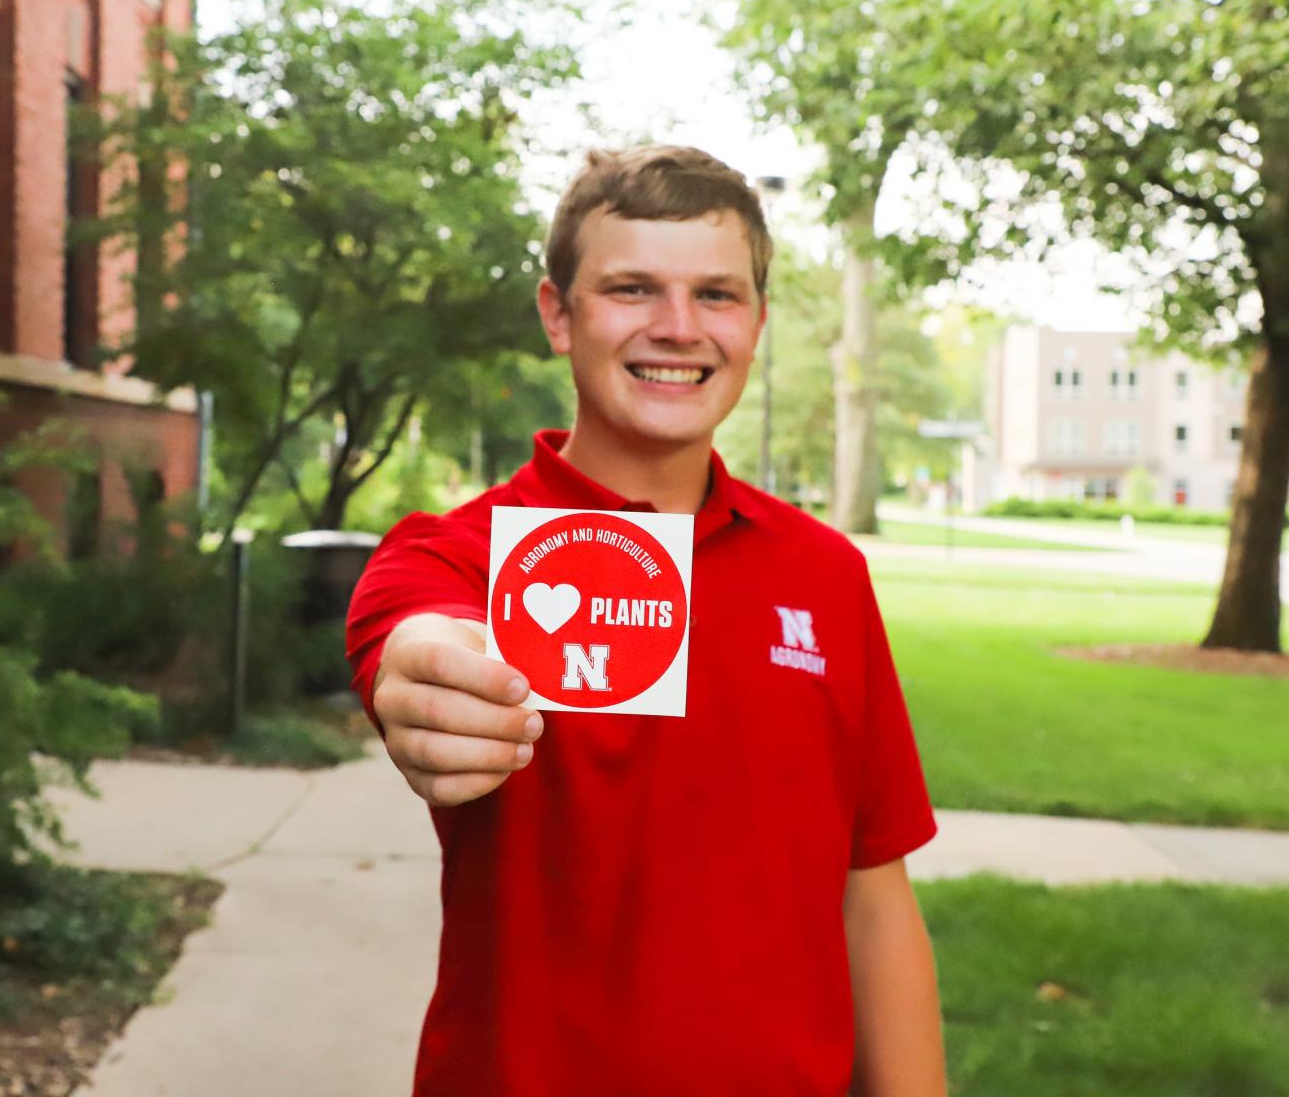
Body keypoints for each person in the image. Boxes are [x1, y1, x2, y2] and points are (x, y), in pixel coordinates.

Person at [345, 145, 948, 1096]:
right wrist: (432, 687)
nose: (677, 329)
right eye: (631, 289)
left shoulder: (824, 574)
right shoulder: (456, 556)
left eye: (717, 295)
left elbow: (869, 890)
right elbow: (419, 643)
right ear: (558, 314)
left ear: (754, 321)